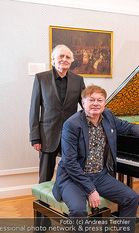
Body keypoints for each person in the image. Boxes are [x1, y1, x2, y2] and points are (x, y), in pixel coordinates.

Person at [52, 85, 139, 233]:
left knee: (131, 197)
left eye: (99, 100)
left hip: (99, 175)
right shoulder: (72, 124)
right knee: (78, 210)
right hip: (73, 178)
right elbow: (70, 163)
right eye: (91, 100)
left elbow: (129, 126)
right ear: (83, 102)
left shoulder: (108, 116)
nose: (95, 103)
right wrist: (90, 190)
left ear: (105, 103)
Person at [29, 44, 85, 184]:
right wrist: (35, 138)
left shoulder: (78, 80)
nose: (64, 59)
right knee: (45, 175)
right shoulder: (41, 78)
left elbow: (86, 107)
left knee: (71, 172)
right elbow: (34, 110)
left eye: (68, 57)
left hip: (70, 135)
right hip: (47, 135)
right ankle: (42, 202)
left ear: (71, 61)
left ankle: (68, 199)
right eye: (61, 56)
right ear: (53, 58)